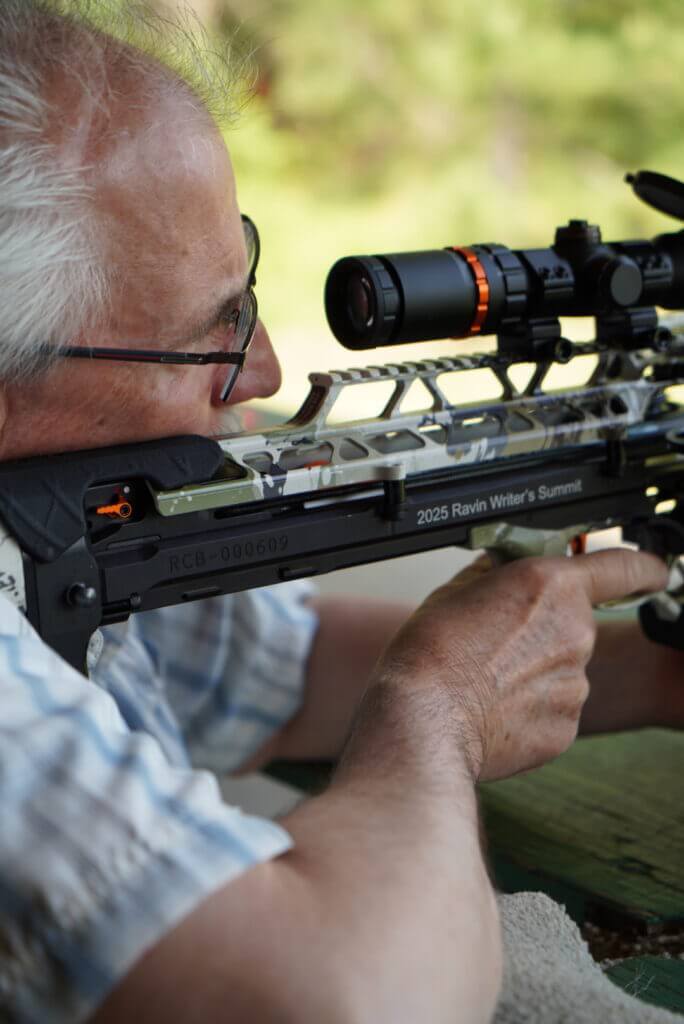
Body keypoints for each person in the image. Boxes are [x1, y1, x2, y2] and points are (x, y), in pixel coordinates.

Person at [0, 4, 681, 1022]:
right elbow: (339, 999)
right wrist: (436, 715)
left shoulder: (68, 521)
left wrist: (658, 669)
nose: (268, 370)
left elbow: (280, 668)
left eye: (250, 290)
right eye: (215, 336)